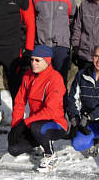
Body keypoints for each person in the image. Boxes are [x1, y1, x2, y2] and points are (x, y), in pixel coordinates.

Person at [8, 45, 68, 173]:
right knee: (13, 149)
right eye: (32, 60)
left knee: (37, 127)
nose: (33, 63)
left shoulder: (55, 78)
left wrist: (25, 122)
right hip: (34, 123)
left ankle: (49, 154)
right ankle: (39, 143)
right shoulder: (27, 76)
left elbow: (50, 111)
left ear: (47, 61)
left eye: (37, 60)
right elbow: (19, 102)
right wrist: (16, 126)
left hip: (55, 123)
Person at [32, 0, 77, 86]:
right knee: (41, 79)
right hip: (42, 44)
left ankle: (62, 104)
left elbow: (73, 19)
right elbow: (31, 20)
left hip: (61, 46)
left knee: (60, 79)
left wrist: (70, 41)